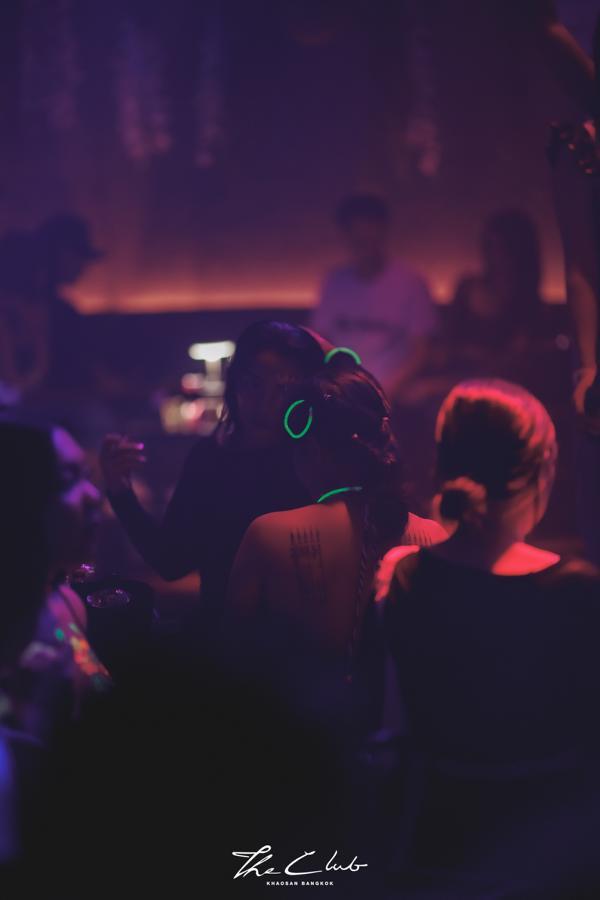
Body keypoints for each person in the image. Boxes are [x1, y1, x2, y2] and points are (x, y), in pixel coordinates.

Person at [381, 379, 600, 892]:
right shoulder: (578, 590)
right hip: (554, 848)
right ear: (543, 470)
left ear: (443, 463)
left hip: (438, 839)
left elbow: (396, 721)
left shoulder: (405, 576)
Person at [227, 361, 446, 693]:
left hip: (294, 722)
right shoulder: (433, 537)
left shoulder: (267, 535)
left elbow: (232, 659)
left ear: (312, 451)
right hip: (398, 720)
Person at [100, 321, 326, 633]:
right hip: (224, 637)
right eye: (254, 383)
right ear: (235, 382)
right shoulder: (210, 458)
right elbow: (171, 561)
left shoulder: (317, 460)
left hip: (303, 638)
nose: (266, 401)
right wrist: (120, 490)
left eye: (284, 387)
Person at [311, 193, 438, 400]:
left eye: (369, 237)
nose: (364, 244)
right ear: (346, 236)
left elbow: (421, 351)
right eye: (358, 239)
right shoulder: (334, 282)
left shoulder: (412, 283)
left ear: (383, 232)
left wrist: (387, 391)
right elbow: (320, 340)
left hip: (396, 396)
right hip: (342, 394)